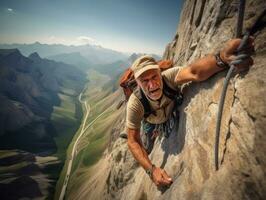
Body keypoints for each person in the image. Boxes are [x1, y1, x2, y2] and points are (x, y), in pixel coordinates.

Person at [125, 38, 254, 187]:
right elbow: (132, 140)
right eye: (144, 81)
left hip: (168, 114)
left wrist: (221, 58)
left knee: (149, 138)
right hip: (152, 122)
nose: (152, 84)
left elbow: (194, 71)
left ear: (160, 73)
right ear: (138, 83)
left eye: (154, 76)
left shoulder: (169, 77)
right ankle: (149, 145)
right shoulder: (135, 103)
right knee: (146, 144)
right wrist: (151, 170)